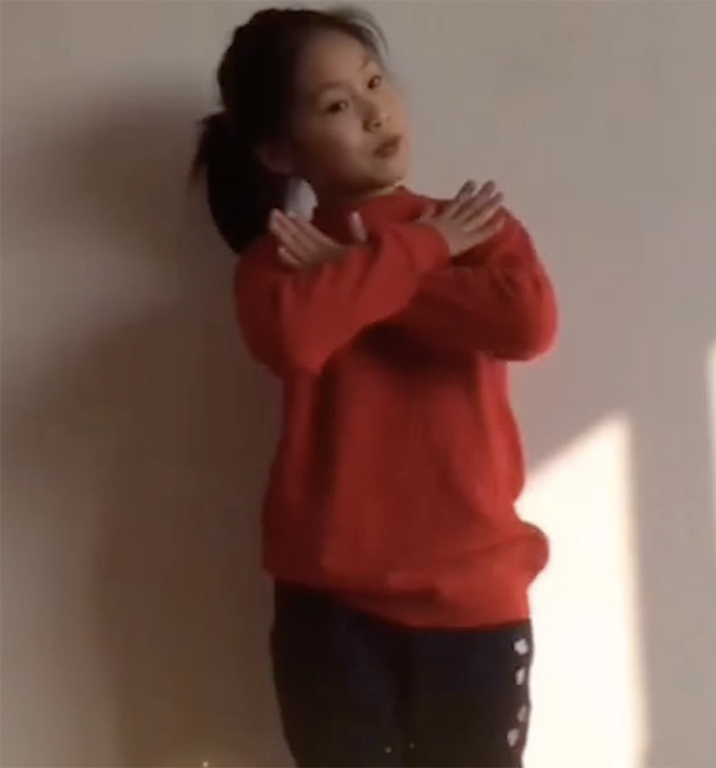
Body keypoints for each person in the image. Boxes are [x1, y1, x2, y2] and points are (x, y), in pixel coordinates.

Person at [193, 6, 558, 768]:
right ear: (278, 150)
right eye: (336, 105)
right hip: (331, 611)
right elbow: (295, 339)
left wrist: (364, 267)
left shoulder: (475, 227)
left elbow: (527, 325)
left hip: (476, 602)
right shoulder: (277, 261)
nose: (373, 110)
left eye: (373, 82)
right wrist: (419, 250)